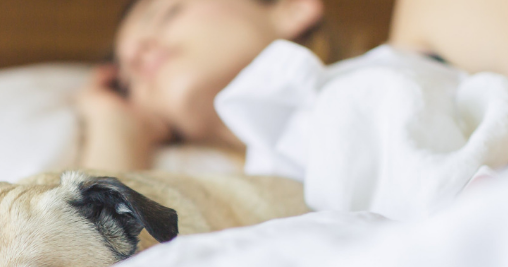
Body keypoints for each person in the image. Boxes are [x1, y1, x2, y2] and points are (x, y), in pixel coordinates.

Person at [77, 0, 508, 172]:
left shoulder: (432, 19)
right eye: (126, 75)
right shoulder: (242, 216)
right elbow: (79, 253)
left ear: (293, 7)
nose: (135, 52)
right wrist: (114, 124)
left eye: (168, 13)